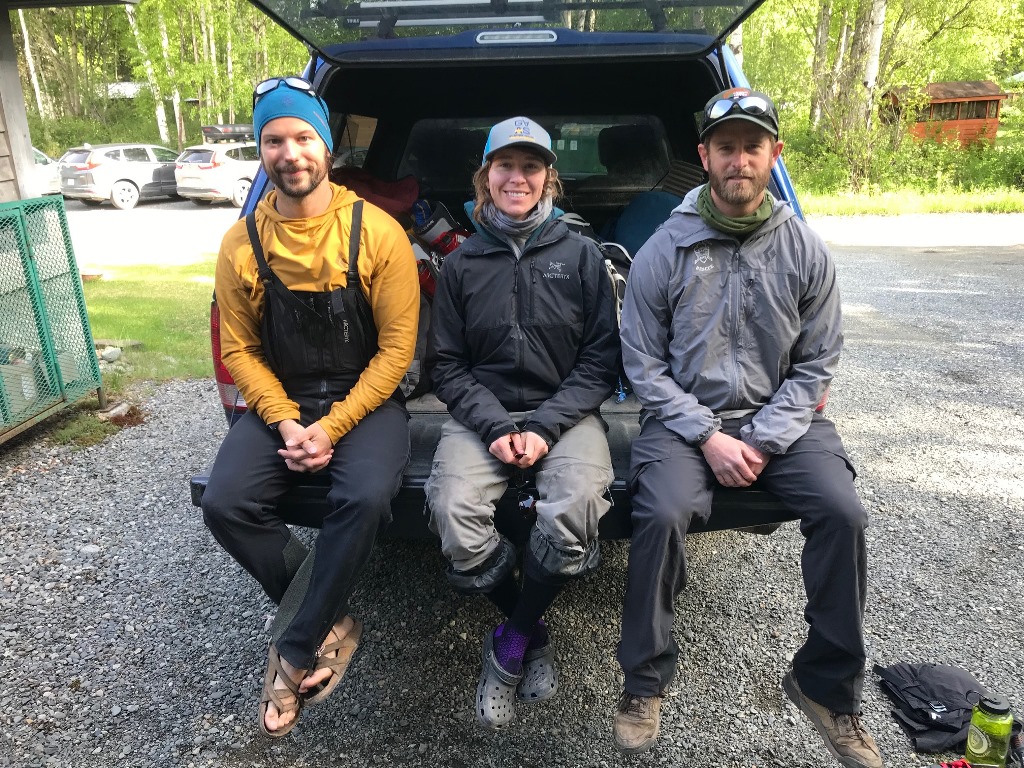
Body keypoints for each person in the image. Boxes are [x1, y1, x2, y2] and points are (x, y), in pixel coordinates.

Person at [613, 88, 883, 768]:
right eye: (725, 147)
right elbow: (641, 364)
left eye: (752, 146)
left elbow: (819, 359)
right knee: (662, 510)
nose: (739, 160)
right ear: (704, 156)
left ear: (774, 155)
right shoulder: (662, 250)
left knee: (843, 511)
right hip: (684, 424)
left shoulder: (805, 250)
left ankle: (826, 688)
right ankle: (644, 682)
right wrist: (707, 434)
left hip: (781, 422)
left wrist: (763, 438)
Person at [200, 76, 419, 738]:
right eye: (273, 140)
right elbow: (239, 350)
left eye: (302, 137)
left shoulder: (378, 233)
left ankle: (293, 651)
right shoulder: (241, 244)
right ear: (260, 151)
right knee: (224, 502)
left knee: (363, 498)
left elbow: (398, 350)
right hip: (284, 403)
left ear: (325, 146)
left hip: (366, 399)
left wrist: (332, 427)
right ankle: (328, 623)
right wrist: (288, 422)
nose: (289, 152)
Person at [424, 116, 620, 730]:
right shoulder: (460, 265)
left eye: (530, 166)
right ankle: (528, 627)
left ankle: (508, 645)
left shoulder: (582, 255)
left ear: (547, 178)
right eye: (505, 165)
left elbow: (600, 362)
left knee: (578, 504)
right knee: (454, 515)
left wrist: (545, 426)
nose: (518, 177)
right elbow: (446, 366)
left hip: (563, 415)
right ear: (485, 177)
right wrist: (491, 426)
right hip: (481, 415)